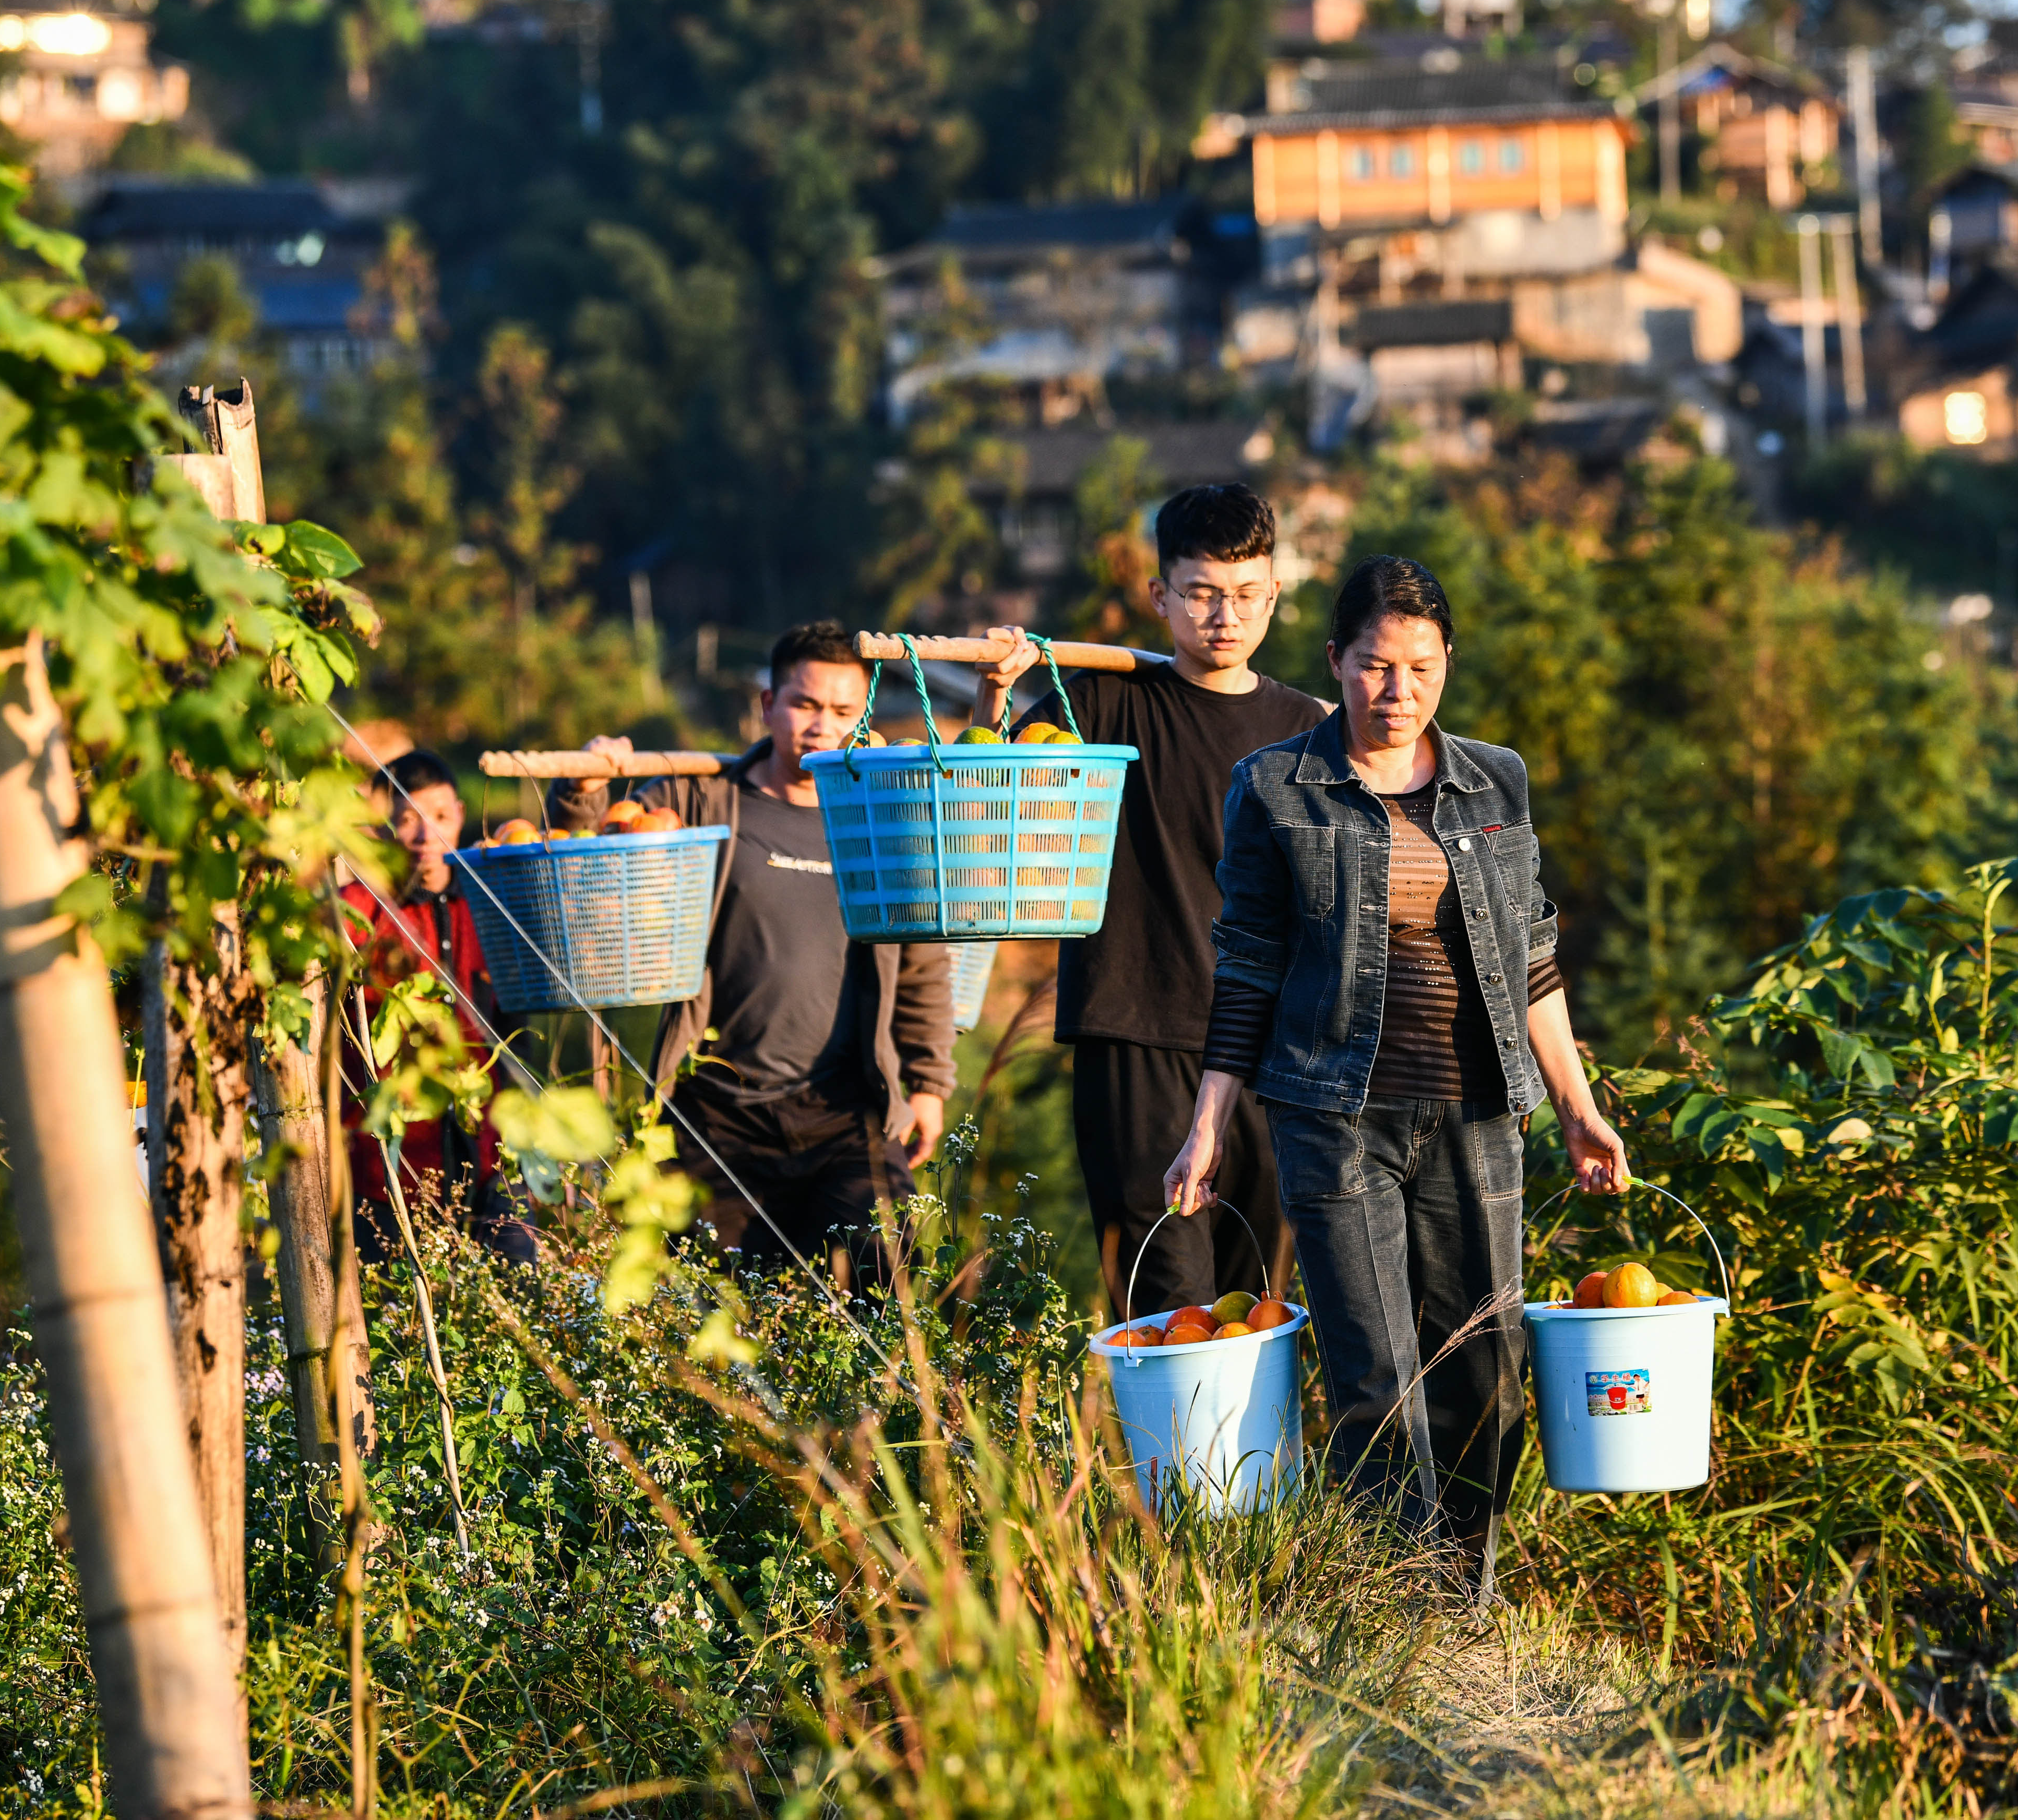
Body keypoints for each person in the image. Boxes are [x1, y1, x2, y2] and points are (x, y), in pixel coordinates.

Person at [1169, 555, 1630, 1566]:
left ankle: (1469, 1588)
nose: (1399, 691)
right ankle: (1394, 1603)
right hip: (1332, 1116)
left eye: (1421, 668)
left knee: (1488, 1362)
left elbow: (1534, 953)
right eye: (1377, 666)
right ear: (1336, 661)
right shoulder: (1277, 789)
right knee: (1376, 1370)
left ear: (1447, 664)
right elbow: (1246, 966)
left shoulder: (1493, 779)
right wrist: (1206, 1124)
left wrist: (1578, 1106)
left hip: (1476, 1113)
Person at [975, 484, 1329, 1323]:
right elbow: (991, 785)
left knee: (1262, 1302)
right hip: (1139, 1031)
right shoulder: (1099, 700)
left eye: (1246, 595)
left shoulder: (1308, 728)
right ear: (1159, 595)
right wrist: (996, 691)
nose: (1224, 617)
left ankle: (1262, 1464)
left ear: (1274, 594)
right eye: (1202, 594)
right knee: (1167, 1301)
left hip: (1275, 1053)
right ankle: (1174, 1461)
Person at [560, 622, 956, 1286]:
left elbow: (921, 959)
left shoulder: (882, 817)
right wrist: (584, 785)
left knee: (885, 1263)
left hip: (844, 1110)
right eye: (803, 704)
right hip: (718, 1110)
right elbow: (599, 849)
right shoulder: (704, 797)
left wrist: (929, 1082)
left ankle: (873, 1394)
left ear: (863, 718)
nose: (820, 726)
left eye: (841, 711)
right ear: (768, 704)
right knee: (716, 1298)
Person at [339, 749, 536, 1264]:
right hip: (390, 1173)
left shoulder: (493, 905)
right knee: (400, 1321)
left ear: (462, 814)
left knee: (521, 1292)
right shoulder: (355, 914)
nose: (427, 836)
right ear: (383, 827)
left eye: (441, 817)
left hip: (493, 1158)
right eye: (408, 820)